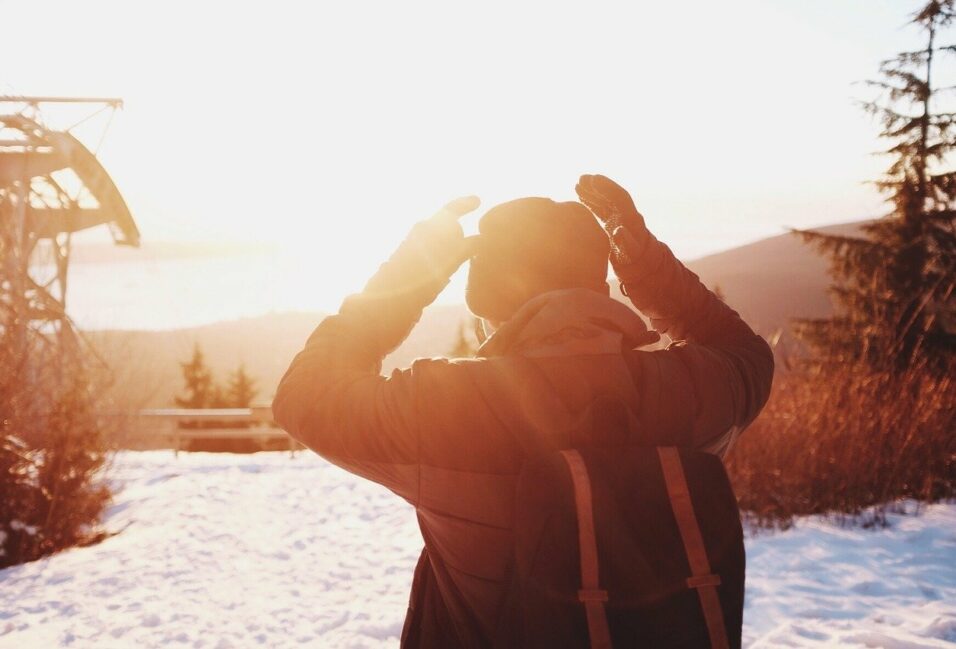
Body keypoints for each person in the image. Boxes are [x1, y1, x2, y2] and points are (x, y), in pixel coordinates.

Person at [272, 174, 774, 648]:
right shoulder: (688, 392)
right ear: (594, 287)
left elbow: (305, 395)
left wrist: (409, 277)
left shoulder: (445, 406)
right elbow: (748, 355)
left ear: (490, 311)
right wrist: (648, 270)